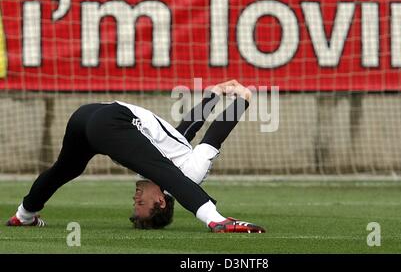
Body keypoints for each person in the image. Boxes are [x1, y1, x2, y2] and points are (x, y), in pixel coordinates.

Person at [6, 79, 266, 233]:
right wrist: (241, 99)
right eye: (141, 204)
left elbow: (182, 133)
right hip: (110, 120)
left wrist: (213, 95)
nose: (135, 198)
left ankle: (24, 215)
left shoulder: (156, 159)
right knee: (165, 172)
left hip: (84, 118)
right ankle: (216, 221)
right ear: (161, 202)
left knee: (64, 170)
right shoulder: (190, 173)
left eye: (135, 204)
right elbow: (210, 136)